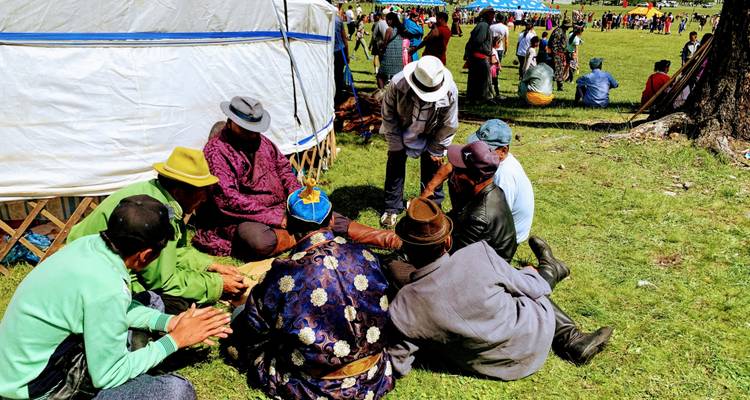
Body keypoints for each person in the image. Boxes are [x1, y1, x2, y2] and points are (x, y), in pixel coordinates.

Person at [0, 195, 232, 400]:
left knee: (152, 301)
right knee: (175, 392)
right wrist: (175, 341)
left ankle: (143, 345)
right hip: (41, 387)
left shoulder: (89, 245)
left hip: (20, 365)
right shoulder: (107, 288)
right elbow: (107, 375)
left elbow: (114, 306)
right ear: (146, 255)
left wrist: (169, 322)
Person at [387, 199, 614, 381]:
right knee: (519, 277)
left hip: (496, 368)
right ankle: (554, 279)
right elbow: (537, 288)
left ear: (404, 246)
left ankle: (554, 276)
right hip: (534, 337)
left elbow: (398, 364)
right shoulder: (478, 254)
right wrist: (530, 273)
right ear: (447, 242)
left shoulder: (403, 306)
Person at [227, 183, 395, 400]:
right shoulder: (366, 255)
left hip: (316, 387)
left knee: (240, 316)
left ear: (287, 223)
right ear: (332, 220)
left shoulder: (283, 273)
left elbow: (253, 327)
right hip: (374, 375)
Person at [68, 147, 244, 313]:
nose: (205, 198)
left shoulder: (159, 195)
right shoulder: (158, 213)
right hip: (89, 276)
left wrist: (210, 265)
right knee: (176, 305)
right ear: (179, 190)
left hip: (88, 262)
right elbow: (164, 281)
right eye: (202, 191)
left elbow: (177, 251)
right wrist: (218, 285)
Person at [423, 120, 535, 244]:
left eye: (485, 149)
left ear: (503, 151)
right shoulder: (487, 161)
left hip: (502, 236)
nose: (478, 151)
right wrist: (430, 187)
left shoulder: (504, 176)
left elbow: (497, 221)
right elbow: (453, 163)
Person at [380, 56, 458, 228]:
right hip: (401, 128)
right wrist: (395, 144)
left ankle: (432, 207)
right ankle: (392, 207)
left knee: (433, 168)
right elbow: (388, 115)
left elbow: (449, 124)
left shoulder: (450, 90)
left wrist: (436, 150)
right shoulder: (398, 83)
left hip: (432, 132)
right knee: (395, 163)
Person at [464, 7, 495, 103]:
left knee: (476, 79)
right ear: (486, 15)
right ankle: (481, 98)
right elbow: (478, 41)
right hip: (479, 56)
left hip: (478, 56)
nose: (493, 16)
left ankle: (475, 97)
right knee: (482, 79)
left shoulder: (483, 25)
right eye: (491, 14)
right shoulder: (483, 26)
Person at [377, 12, 406, 88]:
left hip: (389, 56)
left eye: (387, 20)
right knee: (396, 77)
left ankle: (382, 92)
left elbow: (385, 43)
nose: (386, 22)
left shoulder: (389, 30)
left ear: (391, 20)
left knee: (380, 75)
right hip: (399, 56)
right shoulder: (401, 29)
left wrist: (380, 44)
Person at [549, 19, 572, 91]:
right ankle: (559, 87)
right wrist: (556, 53)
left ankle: (558, 86)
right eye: (567, 26)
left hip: (561, 53)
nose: (568, 27)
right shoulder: (558, 31)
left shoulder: (563, 31)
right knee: (558, 70)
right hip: (557, 54)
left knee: (559, 70)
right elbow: (553, 43)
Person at [333, 8, 349, 106]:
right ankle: (338, 97)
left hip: (330, 51)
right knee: (338, 75)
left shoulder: (323, 18)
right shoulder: (338, 20)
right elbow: (344, 38)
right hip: (339, 50)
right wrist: (347, 55)